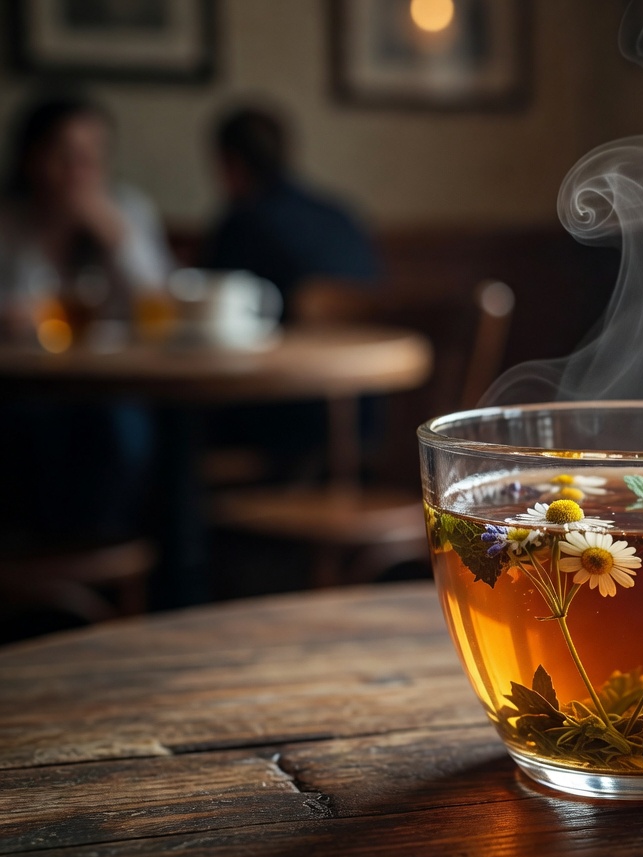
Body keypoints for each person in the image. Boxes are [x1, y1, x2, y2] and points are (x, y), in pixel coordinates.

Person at [0, 94, 172, 544]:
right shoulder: (10, 220)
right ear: (30, 157)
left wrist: (115, 237)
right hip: (21, 388)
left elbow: (162, 308)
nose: (80, 169)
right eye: (64, 154)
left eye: (93, 155)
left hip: (113, 385)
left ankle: (113, 561)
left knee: (131, 429)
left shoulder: (126, 213)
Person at [202, 105, 379, 318]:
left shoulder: (243, 223)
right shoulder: (341, 214)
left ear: (233, 163)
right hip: (371, 348)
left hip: (295, 349)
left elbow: (210, 300)